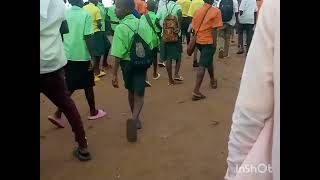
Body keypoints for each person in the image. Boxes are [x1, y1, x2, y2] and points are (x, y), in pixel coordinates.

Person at [224, 0, 279, 179]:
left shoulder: (274, 7)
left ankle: (243, 48)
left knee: (244, 36)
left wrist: (235, 173)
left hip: (250, 22)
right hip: (252, 20)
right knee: (249, 34)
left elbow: (250, 112)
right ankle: (247, 50)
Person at [40, 0, 91, 161]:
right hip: (52, 64)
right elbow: (64, 29)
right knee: (67, 105)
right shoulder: (59, 3)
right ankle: (83, 147)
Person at [49, 0, 107, 125]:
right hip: (82, 55)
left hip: (67, 54)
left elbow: (60, 33)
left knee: (81, 84)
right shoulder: (85, 14)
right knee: (79, 85)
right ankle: (59, 113)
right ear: (80, 1)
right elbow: (88, 36)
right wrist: (92, 56)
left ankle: (91, 110)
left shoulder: (65, 13)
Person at [111, 0, 153, 142]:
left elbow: (117, 54)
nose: (115, 10)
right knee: (139, 94)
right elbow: (151, 43)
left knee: (130, 90)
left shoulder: (120, 28)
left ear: (125, 10)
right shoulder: (142, 22)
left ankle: (136, 118)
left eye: (117, 7)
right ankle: (135, 118)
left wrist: (114, 74)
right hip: (141, 62)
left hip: (127, 64)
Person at [191, 0, 222, 100]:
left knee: (208, 61)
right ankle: (196, 91)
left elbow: (194, 28)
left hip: (199, 41)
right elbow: (214, 29)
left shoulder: (197, 11)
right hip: (208, 42)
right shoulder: (216, 11)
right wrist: (214, 44)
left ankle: (213, 80)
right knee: (202, 65)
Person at [157, 0, 184, 85]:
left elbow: (156, 20)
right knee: (178, 55)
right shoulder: (177, 7)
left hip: (165, 36)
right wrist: (178, 28)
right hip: (176, 36)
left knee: (168, 58)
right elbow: (180, 18)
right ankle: (176, 74)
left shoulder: (162, 8)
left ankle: (170, 80)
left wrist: (163, 28)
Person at [83, 0, 105, 82]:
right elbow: (99, 23)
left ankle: (95, 72)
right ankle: (96, 73)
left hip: (87, 32)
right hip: (96, 32)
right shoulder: (96, 9)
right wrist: (100, 27)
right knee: (97, 53)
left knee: (89, 52)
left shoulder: (84, 8)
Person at [143, 0, 162, 86]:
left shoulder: (143, 17)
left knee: (144, 58)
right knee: (154, 57)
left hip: (144, 39)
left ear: (146, 7)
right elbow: (158, 29)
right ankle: (154, 73)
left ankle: (145, 77)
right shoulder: (156, 17)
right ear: (155, 7)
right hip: (153, 40)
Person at [187, 0, 204, 67]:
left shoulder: (193, 2)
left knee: (195, 43)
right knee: (203, 43)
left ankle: (195, 60)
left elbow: (190, 15)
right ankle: (202, 60)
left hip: (195, 25)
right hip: (203, 26)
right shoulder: (203, 2)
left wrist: (191, 25)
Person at [97, 0, 112, 70]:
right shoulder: (94, 5)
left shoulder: (101, 4)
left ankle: (104, 63)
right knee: (103, 46)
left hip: (102, 28)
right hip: (97, 29)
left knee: (106, 45)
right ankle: (98, 67)